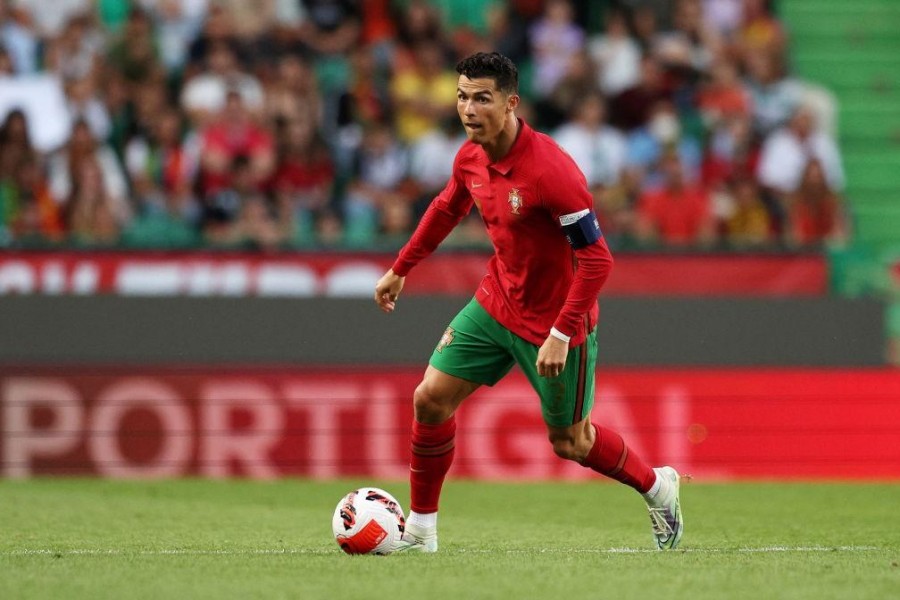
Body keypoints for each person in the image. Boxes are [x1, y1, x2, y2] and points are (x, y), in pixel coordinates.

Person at [373, 52, 684, 553]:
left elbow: (598, 260)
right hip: (496, 301)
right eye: (461, 97)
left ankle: (657, 487)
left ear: (511, 102)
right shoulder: (470, 157)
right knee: (429, 399)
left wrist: (562, 331)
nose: (468, 109)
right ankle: (420, 532)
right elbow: (446, 208)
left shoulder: (552, 172)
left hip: (556, 323)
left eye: (482, 98)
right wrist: (400, 268)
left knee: (571, 443)